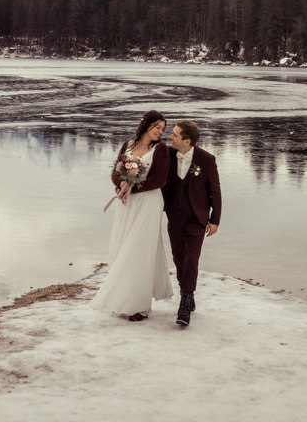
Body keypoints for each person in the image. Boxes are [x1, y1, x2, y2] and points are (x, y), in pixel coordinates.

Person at [89, 110, 174, 321]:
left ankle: (140, 306)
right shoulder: (127, 145)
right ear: (146, 125)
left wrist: (131, 188)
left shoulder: (160, 149)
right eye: (157, 127)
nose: (160, 132)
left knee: (139, 249)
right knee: (123, 245)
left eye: (163, 129)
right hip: (127, 204)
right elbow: (115, 173)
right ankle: (122, 298)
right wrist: (120, 187)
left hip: (149, 203)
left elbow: (159, 180)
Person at [162, 119, 221, 327]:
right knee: (178, 258)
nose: (171, 137)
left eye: (175, 135)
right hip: (174, 216)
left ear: (186, 141)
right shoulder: (168, 155)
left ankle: (185, 303)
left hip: (197, 218)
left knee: (191, 259)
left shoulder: (206, 160)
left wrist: (215, 221)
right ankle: (188, 292)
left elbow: (215, 191)